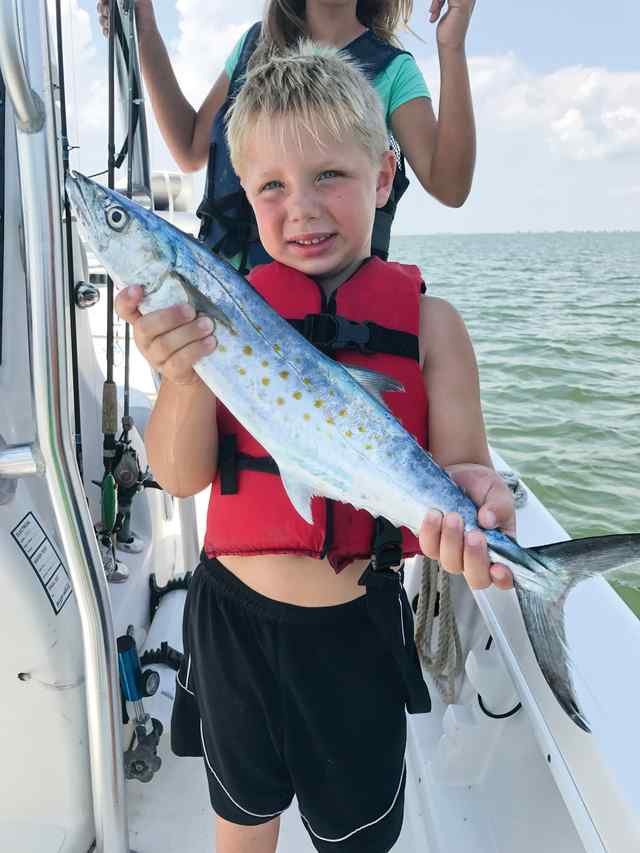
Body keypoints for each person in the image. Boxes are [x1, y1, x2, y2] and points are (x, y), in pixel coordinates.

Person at [115, 43, 514, 853]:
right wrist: (186, 376)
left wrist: (479, 507)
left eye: (328, 175)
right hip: (230, 628)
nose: (301, 208)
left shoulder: (433, 327)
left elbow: (465, 469)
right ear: (246, 197)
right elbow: (180, 475)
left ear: (384, 176)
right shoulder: (217, 312)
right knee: (241, 820)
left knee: (355, 837)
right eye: (271, 187)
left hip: (356, 635)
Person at [97, 0, 476, 271]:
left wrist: (451, 45)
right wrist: (144, 30)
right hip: (229, 295)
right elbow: (190, 149)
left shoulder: (394, 69)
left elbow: (450, 187)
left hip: (330, 309)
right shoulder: (252, 46)